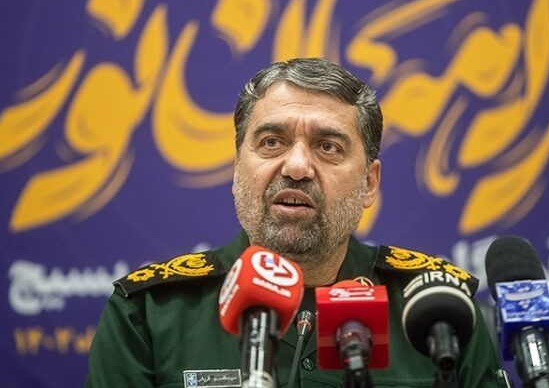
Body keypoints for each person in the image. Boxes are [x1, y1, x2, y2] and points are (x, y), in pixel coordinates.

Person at [85, 58, 505, 387]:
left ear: (369, 183)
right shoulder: (150, 313)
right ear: (237, 168)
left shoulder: (439, 315)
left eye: (328, 146)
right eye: (272, 142)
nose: (298, 166)